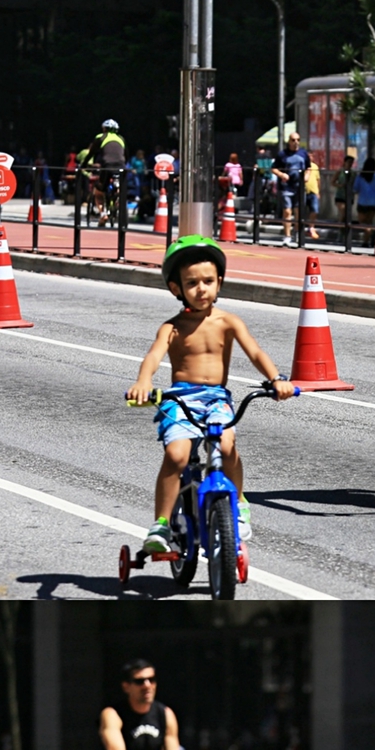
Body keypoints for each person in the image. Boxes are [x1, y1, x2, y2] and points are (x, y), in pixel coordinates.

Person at [126, 236, 295, 554]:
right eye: (192, 283)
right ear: (176, 288)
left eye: (208, 281)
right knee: (176, 455)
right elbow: (153, 356)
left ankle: (239, 502)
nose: (201, 289)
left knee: (227, 447)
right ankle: (161, 522)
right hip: (180, 399)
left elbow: (255, 352)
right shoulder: (172, 327)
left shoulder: (228, 321)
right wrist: (143, 382)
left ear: (219, 283)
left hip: (216, 398)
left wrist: (276, 379)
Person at [272, 132, 311, 247]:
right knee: (287, 211)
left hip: (299, 186)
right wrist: (281, 174)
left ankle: (297, 233)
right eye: (293, 140)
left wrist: (307, 176)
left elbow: (308, 167)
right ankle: (287, 236)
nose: (296, 142)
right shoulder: (282, 154)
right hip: (286, 186)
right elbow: (273, 168)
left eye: (298, 140)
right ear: (289, 141)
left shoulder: (303, 153)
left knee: (299, 211)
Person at [89, 119, 127, 225]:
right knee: (120, 188)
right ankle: (118, 199)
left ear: (104, 129)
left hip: (107, 167)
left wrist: (84, 165)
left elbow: (91, 153)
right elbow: (126, 155)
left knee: (99, 192)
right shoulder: (121, 138)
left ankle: (103, 214)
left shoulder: (100, 137)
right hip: (122, 167)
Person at [332, 152, 356, 224]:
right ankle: (340, 226)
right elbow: (332, 182)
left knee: (347, 214)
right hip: (340, 196)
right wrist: (340, 185)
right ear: (345, 162)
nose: (350, 164)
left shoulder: (353, 173)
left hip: (349, 196)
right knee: (343, 212)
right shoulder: (340, 171)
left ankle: (345, 228)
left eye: (351, 162)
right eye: (349, 162)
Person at [304, 157, 321, 239]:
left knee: (315, 210)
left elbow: (318, 179)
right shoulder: (302, 165)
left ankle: (311, 227)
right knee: (300, 211)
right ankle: (300, 228)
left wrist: (318, 191)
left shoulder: (315, 166)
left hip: (313, 191)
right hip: (303, 191)